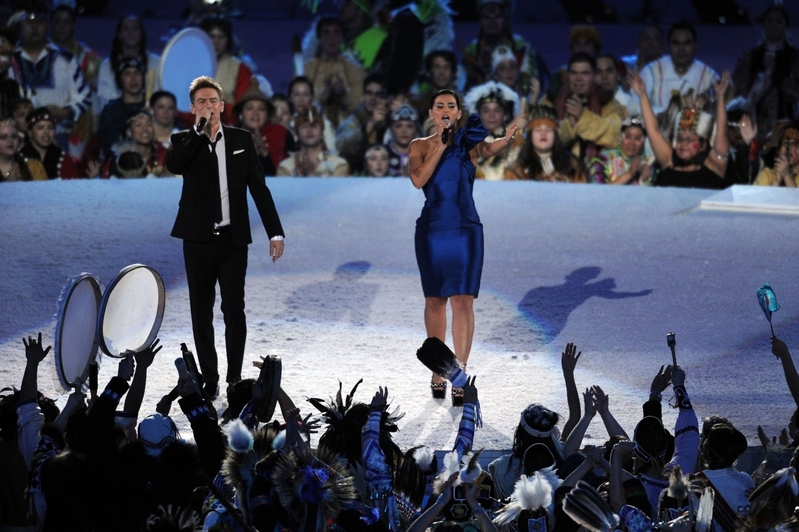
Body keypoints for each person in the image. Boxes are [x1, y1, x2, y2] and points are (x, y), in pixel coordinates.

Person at [167, 76, 285, 400]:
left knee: (234, 310)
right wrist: (196, 132)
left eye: (213, 101)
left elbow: (259, 189)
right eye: (201, 102)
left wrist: (275, 231)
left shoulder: (242, 139)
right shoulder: (182, 141)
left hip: (233, 241)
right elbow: (174, 165)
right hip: (197, 240)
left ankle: (234, 378)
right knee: (200, 311)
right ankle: (210, 376)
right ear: (192, 108)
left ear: (222, 106)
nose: (208, 106)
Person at [408, 89, 517, 404]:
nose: (445, 110)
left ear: (458, 113)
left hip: (466, 231)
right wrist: (440, 146)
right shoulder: (420, 146)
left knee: (464, 302)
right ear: (431, 113)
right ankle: (438, 369)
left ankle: (460, 372)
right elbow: (418, 180)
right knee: (435, 302)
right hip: (432, 232)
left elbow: (488, 147)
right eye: (439, 105)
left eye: (451, 106)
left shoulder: (469, 143)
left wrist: (505, 140)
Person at [9, 2, 92, 154]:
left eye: (39, 22)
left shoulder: (65, 59)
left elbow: (85, 98)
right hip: (14, 139)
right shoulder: (8, 60)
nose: (34, 27)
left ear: (47, 25)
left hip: (57, 136)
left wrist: (66, 113)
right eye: (29, 22)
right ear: (20, 26)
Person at [629, 69, 730, 189]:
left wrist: (720, 96)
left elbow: (721, 132)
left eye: (689, 139)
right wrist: (642, 94)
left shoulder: (714, 165)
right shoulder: (669, 161)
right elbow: (653, 130)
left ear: (703, 145)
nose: (683, 144)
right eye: (680, 139)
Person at [542, 53, 627, 166]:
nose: (578, 78)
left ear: (594, 77)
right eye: (574, 73)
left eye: (585, 73)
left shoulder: (609, 103)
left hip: (598, 175)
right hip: (554, 174)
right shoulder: (550, 100)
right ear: (567, 75)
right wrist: (569, 126)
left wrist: (582, 117)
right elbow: (538, 137)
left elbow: (617, 135)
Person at [733, 5, 799, 144]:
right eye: (769, 21)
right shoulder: (750, 57)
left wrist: (776, 74)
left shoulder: (795, 58)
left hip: (786, 128)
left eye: (778, 21)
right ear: (763, 25)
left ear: (786, 26)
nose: (773, 25)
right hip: (753, 127)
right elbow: (739, 93)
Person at [638, 21, 719, 114]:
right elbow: (635, 105)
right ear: (668, 46)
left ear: (695, 46)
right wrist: (661, 114)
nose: (681, 49)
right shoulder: (650, 72)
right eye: (676, 43)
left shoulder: (709, 76)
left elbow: (719, 110)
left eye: (687, 43)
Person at [303, 16, 365, 128]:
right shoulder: (307, 69)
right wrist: (323, 98)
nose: (332, 38)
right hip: (313, 128)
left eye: (336, 32)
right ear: (319, 37)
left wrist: (344, 96)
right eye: (326, 32)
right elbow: (301, 108)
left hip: (348, 132)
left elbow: (361, 111)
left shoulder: (355, 70)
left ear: (342, 37)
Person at [95, 15, 160, 118]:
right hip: (116, 119)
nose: (131, 32)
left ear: (142, 33)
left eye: (135, 28)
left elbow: (159, 96)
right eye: (126, 28)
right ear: (119, 34)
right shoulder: (107, 66)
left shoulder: (156, 63)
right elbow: (105, 100)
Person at [504, 105, 586, 182]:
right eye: (538, 130)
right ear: (530, 135)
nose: (543, 134)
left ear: (555, 134)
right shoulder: (517, 169)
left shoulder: (572, 165)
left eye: (548, 130)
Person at [463, 80, 523, 180]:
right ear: (478, 115)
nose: (491, 115)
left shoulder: (516, 140)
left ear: (505, 115)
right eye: (486, 110)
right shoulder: (467, 141)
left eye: (497, 110)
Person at [234, 80, 296, 175]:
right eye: (250, 108)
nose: (255, 112)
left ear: (267, 115)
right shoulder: (229, 137)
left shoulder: (281, 133)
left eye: (261, 109)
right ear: (241, 115)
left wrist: (264, 153)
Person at [200, 16, 253, 126]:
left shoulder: (239, 69)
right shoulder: (191, 65)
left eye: (221, 37)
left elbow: (242, 106)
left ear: (228, 40)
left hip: (227, 127)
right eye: (212, 37)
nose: (216, 42)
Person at [335, 73, 388, 174]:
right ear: (362, 96)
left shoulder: (390, 121)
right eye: (369, 93)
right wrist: (370, 125)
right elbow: (341, 146)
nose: (373, 98)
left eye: (378, 94)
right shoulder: (352, 121)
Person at [97, 56, 147, 158]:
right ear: (119, 80)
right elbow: (111, 146)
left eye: (137, 73)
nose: (133, 78)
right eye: (127, 74)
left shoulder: (155, 107)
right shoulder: (111, 111)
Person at [277, 107, 349, 177]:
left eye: (313, 126)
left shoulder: (338, 165)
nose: (309, 130)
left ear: (322, 134)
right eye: (304, 126)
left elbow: (336, 189)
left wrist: (310, 174)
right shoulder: (286, 167)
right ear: (297, 135)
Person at [100, 109, 170, 178]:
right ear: (129, 132)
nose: (145, 129)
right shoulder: (117, 161)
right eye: (138, 125)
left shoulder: (166, 156)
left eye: (149, 124)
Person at [588, 116, 655, 185]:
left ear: (643, 142)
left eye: (637, 138)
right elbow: (597, 192)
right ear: (620, 138)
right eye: (628, 137)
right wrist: (629, 174)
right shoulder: (602, 159)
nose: (632, 143)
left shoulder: (650, 163)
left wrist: (647, 179)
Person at [20, 107, 81, 179]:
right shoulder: (19, 158)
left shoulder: (64, 160)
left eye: (50, 127)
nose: (46, 132)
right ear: (30, 132)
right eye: (40, 128)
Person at [754, 122, 799, 186]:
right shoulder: (767, 174)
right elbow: (761, 196)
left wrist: (786, 176)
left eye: (793, 144)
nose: (788, 148)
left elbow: (796, 196)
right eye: (785, 143)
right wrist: (777, 181)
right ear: (779, 150)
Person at [385, 104, 420, 177]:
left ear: (416, 129)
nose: (404, 131)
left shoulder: (424, 154)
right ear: (391, 129)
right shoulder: (383, 153)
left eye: (409, 126)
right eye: (398, 126)